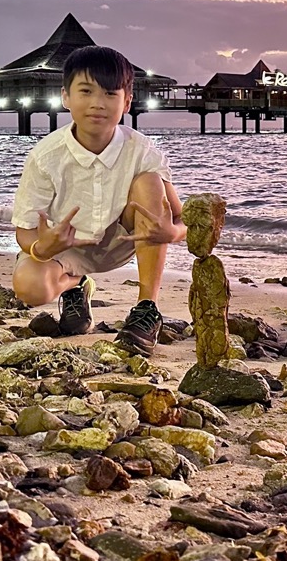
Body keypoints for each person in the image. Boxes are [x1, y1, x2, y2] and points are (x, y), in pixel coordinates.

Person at [10, 45, 185, 357]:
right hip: (67, 249)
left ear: (127, 101)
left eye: (109, 94)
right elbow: (24, 231)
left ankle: (147, 308)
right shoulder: (45, 156)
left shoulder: (143, 150)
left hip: (126, 239)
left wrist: (173, 234)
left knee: (148, 180)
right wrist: (43, 247)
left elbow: (183, 221)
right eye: (86, 91)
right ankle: (77, 286)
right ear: (66, 97)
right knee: (28, 288)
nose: (97, 104)